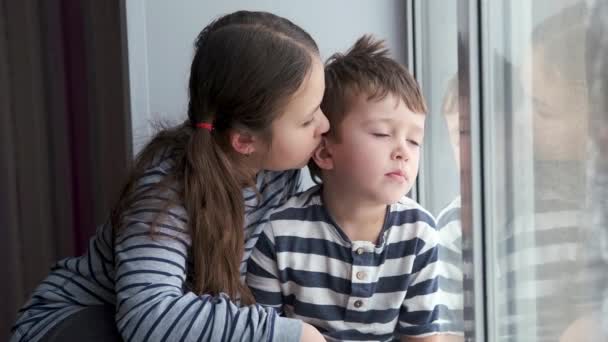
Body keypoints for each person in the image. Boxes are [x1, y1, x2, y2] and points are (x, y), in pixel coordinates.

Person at [11, 10, 330, 342]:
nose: (325, 125)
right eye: (308, 120)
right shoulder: (165, 191)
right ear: (245, 141)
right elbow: (149, 317)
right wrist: (289, 334)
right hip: (74, 323)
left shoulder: (276, 171)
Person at [246, 35, 462, 342]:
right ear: (325, 152)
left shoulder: (420, 233)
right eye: (382, 133)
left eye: (414, 140)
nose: (403, 151)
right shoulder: (280, 232)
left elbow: (421, 337)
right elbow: (265, 332)